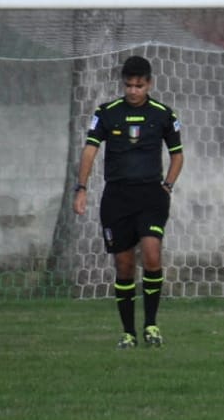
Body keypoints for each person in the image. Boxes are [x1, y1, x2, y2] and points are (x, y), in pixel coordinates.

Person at [72, 55, 183, 349]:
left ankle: (151, 325)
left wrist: (168, 185)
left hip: (150, 196)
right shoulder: (106, 113)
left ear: (149, 83)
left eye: (139, 85)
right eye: (129, 85)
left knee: (151, 255)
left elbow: (177, 154)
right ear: (123, 84)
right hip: (117, 198)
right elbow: (90, 150)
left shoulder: (163, 114)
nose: (134, 91)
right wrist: (81, 188)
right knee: (123, 266)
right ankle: (128, 332)